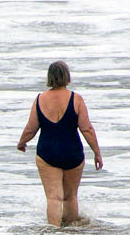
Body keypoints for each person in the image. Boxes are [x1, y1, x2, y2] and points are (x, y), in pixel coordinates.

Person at [17, 60, 103, 225]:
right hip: (72, 152)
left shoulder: (40, 99)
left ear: (49, 77)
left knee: (53, 197)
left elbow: (31, 128)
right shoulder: (76, 99)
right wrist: (97, 153)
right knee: (70, 196)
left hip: (47, 152)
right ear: (67, 77)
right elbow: (87, 129)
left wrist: (22, 142)